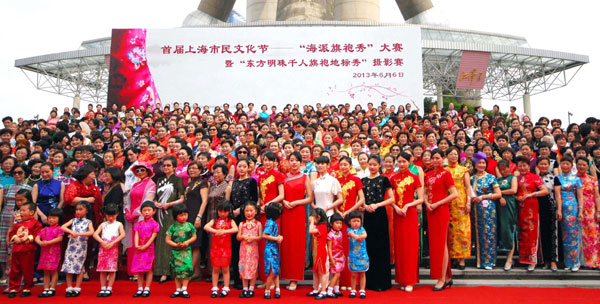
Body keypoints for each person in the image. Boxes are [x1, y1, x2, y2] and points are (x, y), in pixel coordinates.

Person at [389, 151, 423, 292]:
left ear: (410, 162)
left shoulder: (414, 178)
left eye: (404, 161)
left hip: (410, 214)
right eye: (400, 161)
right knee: (400, 247)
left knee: (410, 247)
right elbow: (390, 198)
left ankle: (410, 280)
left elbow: (421, 198)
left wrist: (408, 205)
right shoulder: (393, 178)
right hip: (398, 215)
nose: (402, 164)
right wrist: (396, 207)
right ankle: (401, 279)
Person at [424, 149, 457, 290]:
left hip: (441, 210)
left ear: (442, 159)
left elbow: (454, 194)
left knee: (441, 244)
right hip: (431, 210)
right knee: (436, 244)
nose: (435, 160)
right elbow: (425, 193)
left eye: (437, 158)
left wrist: (438, 203)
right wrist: (427, 203)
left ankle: (442, 278)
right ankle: (447, 276)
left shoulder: (446, 173)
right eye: (433, 158)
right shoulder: (429, 174)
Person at [280, 152, 313, 290]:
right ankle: (285, 276)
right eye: (291, 160)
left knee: (297, 244)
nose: (294, 163)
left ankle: (295, 279)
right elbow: (280, 195)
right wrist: (285, 201)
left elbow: (310, 198)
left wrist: (297, 202)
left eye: (296, 160)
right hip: (285, 213)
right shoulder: (283, 177)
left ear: (300, 162)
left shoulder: (305, 177)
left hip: (298, 212)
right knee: (286, 245)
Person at [361, 155, 393, 291]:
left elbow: (392, 199)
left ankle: (382, 283)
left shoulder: (384, 180)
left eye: (375, 164)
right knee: (369, 247)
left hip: (380, 215)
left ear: (379, 165)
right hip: (368, 215)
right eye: (370, 164)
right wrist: (365, 206)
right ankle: (370, 282)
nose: (372, 167)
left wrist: (377, 205)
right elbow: (360, 199)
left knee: (381, 246)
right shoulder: (363, 181)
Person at [153, 156, 184, 283]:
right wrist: (156, 204)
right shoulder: (159, 180)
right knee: (159, 241)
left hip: (171, 213)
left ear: (174, 167)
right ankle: (159, 270)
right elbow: (155, 198)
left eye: (168, 165)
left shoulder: (178, 180)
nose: (166, 167)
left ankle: (168, 271)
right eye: (164, 165)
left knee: (169, 240)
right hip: (160, 213)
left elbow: (182, 198)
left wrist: (169, 204)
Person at [515, 156, 548, 271]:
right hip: (520, 208)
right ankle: (523, 258)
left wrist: (530, 195)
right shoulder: (516, 178)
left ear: (529, 166)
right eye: (520, 165)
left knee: (532, 233)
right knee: (522, 233)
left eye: (525, 165)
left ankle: (533, 260)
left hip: (531, 208)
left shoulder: (535, 177)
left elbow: (545, 191)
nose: (522, 168)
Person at [335, 156, 364, 290]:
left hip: (352, 218)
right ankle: (341, 281)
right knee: (340, 247)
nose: (343, 167)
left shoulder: (356, 179)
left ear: (351, 165)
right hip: (339, 218)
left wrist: (349, 211)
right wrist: (337, 211)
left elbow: (361, 199)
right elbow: (334, 199)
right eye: (341, 165)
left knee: (352, 248)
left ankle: (351, 281)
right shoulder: (336, 181)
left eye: (346, 165)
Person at [230, 158, 258, 288]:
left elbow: (254, 200)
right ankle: (237, 279)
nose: (241, 169)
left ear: (248, 168)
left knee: (247, 249)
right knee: (236, 248)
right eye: (239, 166)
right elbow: (230, 199)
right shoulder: (234, 182)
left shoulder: (251, 181)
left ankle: (248, 280)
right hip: (234, 218)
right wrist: (233, 211)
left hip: (246, 217)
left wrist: (240, 209)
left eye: (244, 166)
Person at [125, 162, 156, 277]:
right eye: (137, 170)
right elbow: (128, 200)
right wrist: (127, 212)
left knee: (142, 242)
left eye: (142, 170)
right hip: (132, 218)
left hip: (143, 218)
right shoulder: (135, 184)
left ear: (148, 171)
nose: (140, 172)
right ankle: (133, 270)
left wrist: (136, 214)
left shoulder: (151, 184)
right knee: (133, 243)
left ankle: (142, 271)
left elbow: (147, 202)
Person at [471, 153, 501, 270]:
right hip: (475, 209)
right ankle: (479, 261)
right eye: (479, 163)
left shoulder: (491, 177)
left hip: (488, 208)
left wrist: (483, 197)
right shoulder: (472, 178)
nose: (481, 165)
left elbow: (498, 194)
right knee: (477, 234)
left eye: (483, 163)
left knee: (488, 233)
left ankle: (489, 261)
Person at [204, 201, 239, 298]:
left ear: (229, 212)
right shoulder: (214, 220)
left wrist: (224, 231)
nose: (222, 214)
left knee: (225, 268)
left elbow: (235, 229)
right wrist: (216, 231)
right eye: (220, 211)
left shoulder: (230, 221)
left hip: (225, 248)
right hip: (215, 248)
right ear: (217, 211)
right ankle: (214, 288)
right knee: (215, 269)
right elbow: (206, 226)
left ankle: (226, 287)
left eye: (225, 211)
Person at [554, 155, 584, 271]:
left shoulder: (576, 179)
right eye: (563, 164)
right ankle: (568, 262)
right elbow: (557, 195)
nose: (565, 166)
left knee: (573, 235)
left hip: (573, 207)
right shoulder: (557, 178)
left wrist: (580, 210)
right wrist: (559, 209)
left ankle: (575, 262)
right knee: (564, 235)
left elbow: (580, 196)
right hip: (562, 207)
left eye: (568, 164)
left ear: (572, 166)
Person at [6, 202, 42, 298]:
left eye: (23, 211)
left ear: (31, 212)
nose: (21, 213)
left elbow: (37, 234)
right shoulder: (18, 224)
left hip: (28, 250)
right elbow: (12, 233)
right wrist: (15, 238)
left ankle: (27, 288)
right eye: (20, 211)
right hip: (16, 250)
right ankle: (13, 288)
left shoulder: (36, 223)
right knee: (15, 270)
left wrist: (27, 238)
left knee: (27, 270)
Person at [445, 147, 472, 269]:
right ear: (447, 156)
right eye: (451, 154)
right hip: (447, 203)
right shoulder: (444, 171)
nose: (453, 156)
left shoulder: (463, 170)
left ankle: (461, 259)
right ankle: (451, 257)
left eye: (455, 154)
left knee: (462, 231)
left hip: (461, 203)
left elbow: (467, 187)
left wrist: (468, 202)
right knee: (450, 232)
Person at [60, 201, 94, 297]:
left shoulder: (88, 222)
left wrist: (78, 234)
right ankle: (69, 287)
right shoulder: (73, 220)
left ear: (86, 211)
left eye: (80, 209)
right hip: (71, 246)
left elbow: (91, 232)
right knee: (68, 266)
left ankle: (77, 288)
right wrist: (71, 231)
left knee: (80, 266)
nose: (78, 212)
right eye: (77, 209)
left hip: (81, 247)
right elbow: (63, 227)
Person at [92, 204, 126, 297]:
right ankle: (103, 287)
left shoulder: (119, 224)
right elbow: (95, 234)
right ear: (105, 215)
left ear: (117, 214)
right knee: (102, 269)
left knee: (112, 269)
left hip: (113, 247)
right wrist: (102, 242)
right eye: (108, 216)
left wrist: (113, 242)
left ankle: (109, 288)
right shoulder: (103, 224)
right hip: (103, 247)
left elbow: (123, 234)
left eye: (113, 215)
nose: (110, 218)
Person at [183, 161, 209, 280]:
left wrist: (199, 216)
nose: (191, 170)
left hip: (197, 215)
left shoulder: (203, 184)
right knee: (191, 243)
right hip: (188, 215)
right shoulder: (189, 185)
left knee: (195, 244)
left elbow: (204, 201)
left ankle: (190, 272)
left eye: (194, 168)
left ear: (200, 170)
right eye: (190, 168)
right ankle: (197, 272)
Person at [166, 203, 197, 298]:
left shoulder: (190, 226)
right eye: (181, 215)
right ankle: (178, 289)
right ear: (176, 216)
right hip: (176, 251)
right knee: (177, 270)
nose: (184, 217)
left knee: (187, 268)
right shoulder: (172, 228)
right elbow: (167, 240)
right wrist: (175, 244)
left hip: (186, 251)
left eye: (185, 214)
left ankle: (184, 288)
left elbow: (194, 236)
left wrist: (187, 242)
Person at [574, 157, 600, 268]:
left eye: (584, 165)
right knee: (578, 235)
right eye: (579, 164)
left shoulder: (592, 179)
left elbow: (597, 195)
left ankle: (593, 262)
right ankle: (579, 262)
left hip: (590, 210)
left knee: (592, 235)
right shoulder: (573, 178)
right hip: (576, 209)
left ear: (588, 166)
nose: (581, 167)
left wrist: (598, 210)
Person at [131, 201, 160, 298]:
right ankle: (139, 288)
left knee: (149, 269)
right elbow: (136, 234)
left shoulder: (155, 224)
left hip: (149, 249)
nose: (147, 212)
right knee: (139, 269)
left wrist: (146, 245)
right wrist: (136, 244)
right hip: (139, 248)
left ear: (154, 211)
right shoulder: (139, 224)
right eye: (144, 210)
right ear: (141, 212)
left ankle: (147, 288)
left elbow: (153, 236)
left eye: (149, 210)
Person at [537, 156, 559, 271]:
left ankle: (553, 261)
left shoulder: (554, 178)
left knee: (552, 234)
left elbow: (558, 195)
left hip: (551, 207)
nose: (543, 166)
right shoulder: (535, 178)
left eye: (545, 164)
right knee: (542, 235)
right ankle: (545, 260)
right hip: (538, 208)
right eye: (541, 164)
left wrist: (559, 209)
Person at [35, 207, 63, 298]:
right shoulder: (45, 229)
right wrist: (40, 242)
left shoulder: (59, 229)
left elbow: (60, 238)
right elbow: (37, 237)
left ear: (59, 219)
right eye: (50, 217)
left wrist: (47, 242)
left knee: (53, 270)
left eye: (54, 218)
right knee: (45, 271)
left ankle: (52, 288)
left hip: (54, 252)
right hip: (45, 252)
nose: (51, 219)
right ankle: (46, 288)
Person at [237, 201, 262, 298]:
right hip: (243, 250)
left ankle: (251, 288)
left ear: (255, 211)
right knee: (243, 268)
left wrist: (253, 238)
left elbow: (260, 237)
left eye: (251, 210)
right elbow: (238, 237)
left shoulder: (258, 224)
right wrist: (244, 236)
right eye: (247, 211)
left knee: (253, 268)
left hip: (253, 250)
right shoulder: (241, 224)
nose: (249, 213)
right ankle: (244, 289)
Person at [496, 160, 518, 271]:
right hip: (499, 204)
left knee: (509, 229)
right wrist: (500, 196)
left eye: (505, 168)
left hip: (509, 205)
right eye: (501, 169)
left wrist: (500, 193)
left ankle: (509, 258)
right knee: (501, 229)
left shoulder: (513, 178)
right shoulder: (497, 180)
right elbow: (495, 192)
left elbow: (513, 190)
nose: (503, 171)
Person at [306, 207, 329, 300]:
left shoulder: (322, 227)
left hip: (321, 252)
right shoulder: (318, 226)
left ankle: (323, 290)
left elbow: (311, 231)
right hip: (315, 252)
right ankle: (315, 289)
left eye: (313, 217)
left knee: (321, 272)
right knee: (315, 271)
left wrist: (311, 222)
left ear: (318, 218)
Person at [262, 202, 283, 299]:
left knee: (276, 269)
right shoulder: (270, 223)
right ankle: (267, 289)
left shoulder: (272, 222)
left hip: (274, 248)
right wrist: (277, 238)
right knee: (272, 271)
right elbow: (265, 235)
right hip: (270, 249)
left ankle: (277, 289)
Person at [346, 211, 368, 299]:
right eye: (354, 221)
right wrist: (357, 237)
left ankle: (362, 290)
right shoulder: (349, 230)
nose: (356, 223)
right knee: (354, 274)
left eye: (358, 221)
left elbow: (365, 235)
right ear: (349, 222)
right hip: (353, 255)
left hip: (362, 255)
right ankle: (353, 290)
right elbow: (352, 235)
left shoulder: (362, 229)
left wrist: (360, 237)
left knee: (363, 273)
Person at [326, 213, 345, 298]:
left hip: (340, 255)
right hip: (333, 256)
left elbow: (341, 245)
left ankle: (336, 289)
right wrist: (331, 258)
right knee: (336, 274)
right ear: (331, 224)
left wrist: (343, 254)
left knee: (338, 273)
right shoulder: (330, 235)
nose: (339, 225)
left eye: (340, 223)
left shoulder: (340, 233)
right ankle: (329, 290)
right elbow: (329, 248)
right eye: (337, 223)